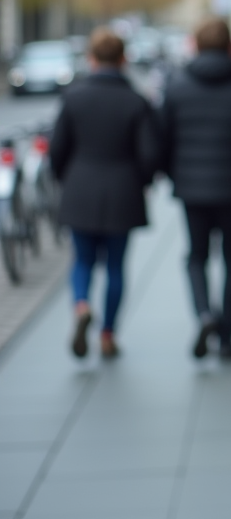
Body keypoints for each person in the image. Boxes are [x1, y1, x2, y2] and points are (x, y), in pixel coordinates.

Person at [160, 18, 231, 361]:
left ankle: (204, 315)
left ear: (195, 45)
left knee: (196, 257)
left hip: (192, 189)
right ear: (230, 47)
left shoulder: (176, 87)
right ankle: (226, 338)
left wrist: (173, 174)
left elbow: (163, 141)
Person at [50, 28, 159, 359]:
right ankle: (108, 334)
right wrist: (141, 181)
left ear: (91, 59)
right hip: (122, 191)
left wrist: (65, 179)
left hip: (81, 188)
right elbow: (150, 155)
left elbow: (57, 151)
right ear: (123, 59)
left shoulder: (73, 98)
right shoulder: (137, 102)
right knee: (115, 267)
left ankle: (81, 306)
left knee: (81, 260)